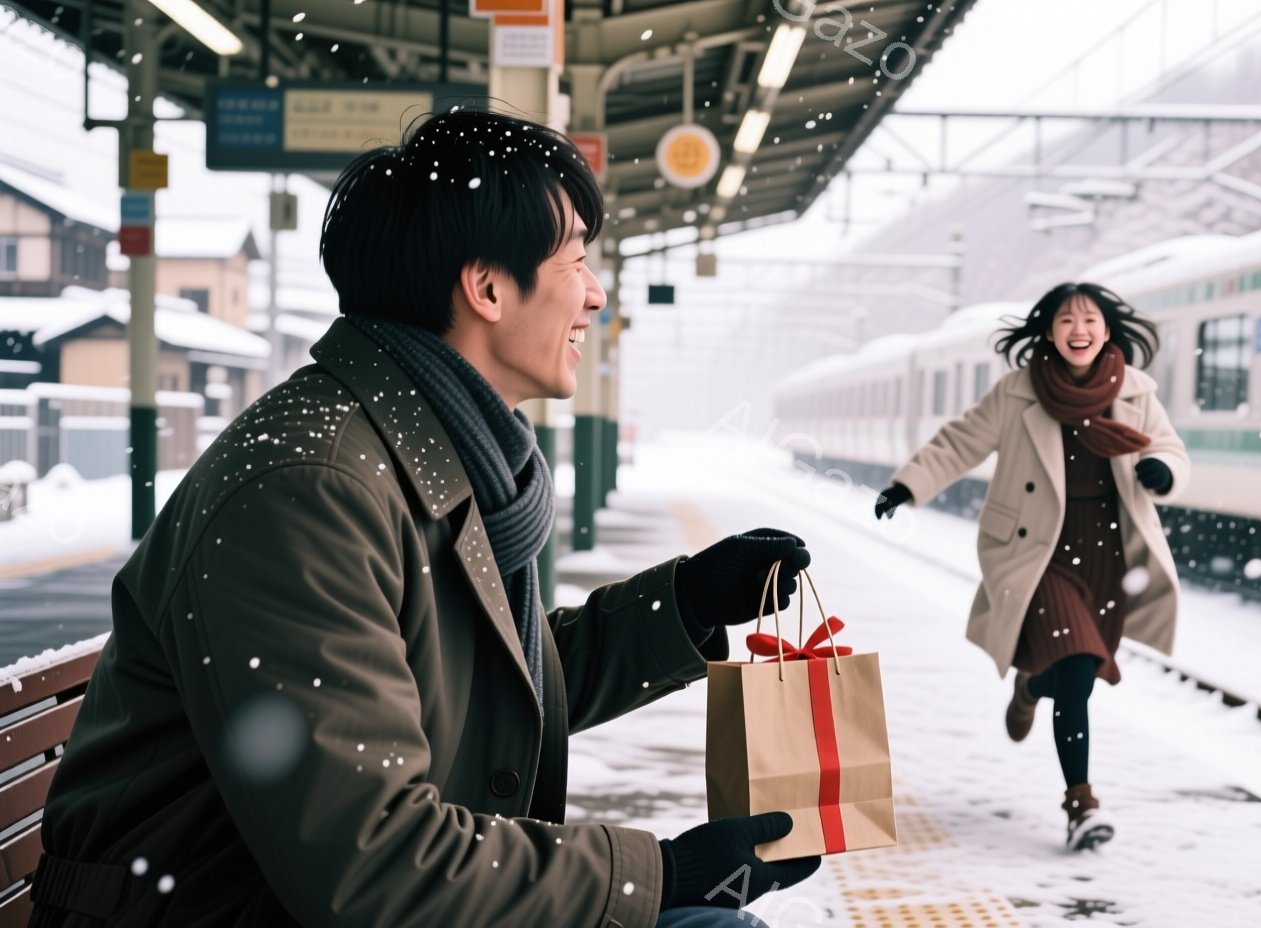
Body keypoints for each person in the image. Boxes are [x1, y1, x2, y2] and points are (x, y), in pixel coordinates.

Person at [29, 109, 819, 927]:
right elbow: (369, 859)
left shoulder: (415, 448)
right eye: (577, 261)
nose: (595, 293)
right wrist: (661, 873)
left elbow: (488, 688)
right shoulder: (311, 489)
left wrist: (683, 605)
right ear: (486, 288)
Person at [873, 283, 1189, 851]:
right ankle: (1081, 805)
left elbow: (1168, 449)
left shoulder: (1137, 392)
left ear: (1107, 329)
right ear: (1048, 331)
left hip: (1107, 554)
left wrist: (1162, 471)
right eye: (1066, 320)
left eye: (1090, 319)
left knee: (1074, 673)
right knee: (1076, 672)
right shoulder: (1017, 392)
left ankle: (1030, 685)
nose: (1079, 329)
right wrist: (906, 484)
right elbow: (960, 441)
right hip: (1035, 551)